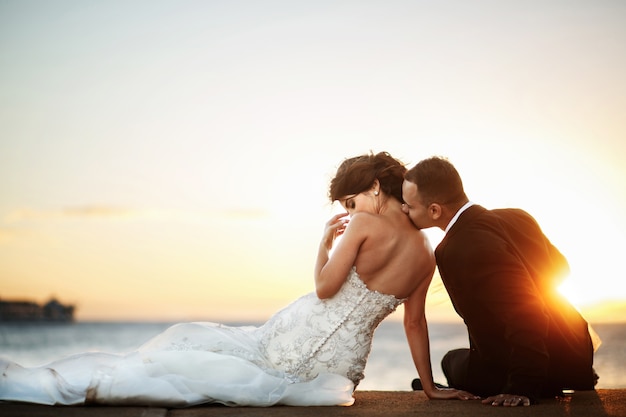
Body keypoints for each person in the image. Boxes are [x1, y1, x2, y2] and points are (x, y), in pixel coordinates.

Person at [0, 152, 473, 407]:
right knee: (204, 355)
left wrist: (323, 246)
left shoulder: (367, 226)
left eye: (349, 203)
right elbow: (414, 324)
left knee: (183, 344)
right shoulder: (426, 254)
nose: (348, 214)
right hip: (340, 369)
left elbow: (327, 289)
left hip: (297, 340)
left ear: (373, 189)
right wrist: (429, 387)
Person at [401, 156, 597, 407]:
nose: (404, 210)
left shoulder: (456, 249)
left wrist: (522, 386)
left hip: (537, 370)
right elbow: (561, 269)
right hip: (577, 353)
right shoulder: (518, 216)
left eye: (409, 205)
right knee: (460, 359)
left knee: (450, 361)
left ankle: (454, 387)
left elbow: (528, 312)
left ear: (435, 210)